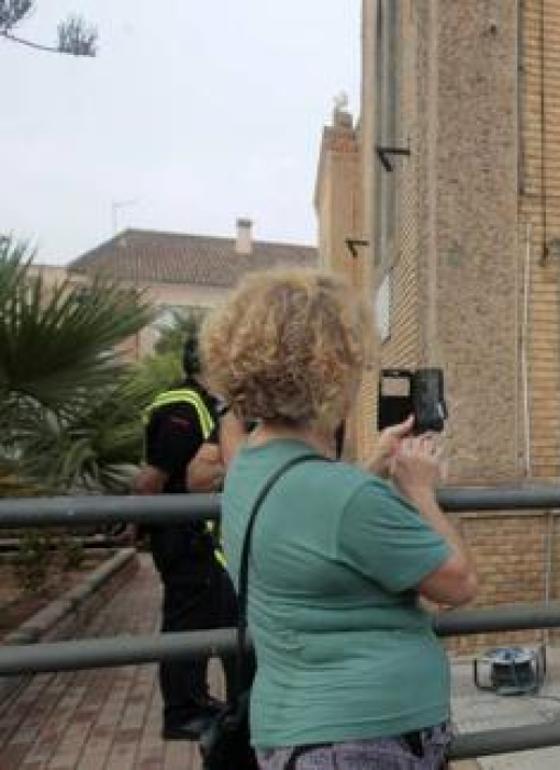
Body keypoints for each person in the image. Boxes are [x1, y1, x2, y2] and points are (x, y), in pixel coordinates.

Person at [201, 269, 477, 770]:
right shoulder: (346, 498)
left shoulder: (245, 468)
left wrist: (372, 465)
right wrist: (419, 490)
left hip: (294, 728)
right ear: (332, 373)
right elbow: (457, 584)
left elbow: (314, 517)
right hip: (363, 738)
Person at [131, 334, 236, 740]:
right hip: (184, 536)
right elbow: (152, 478)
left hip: (194, 535)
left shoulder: (201, 403)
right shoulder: (184, 406)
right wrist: (140, 522)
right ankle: (182, 713)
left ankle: (197, 700)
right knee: (186, 622)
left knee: (205, 617)